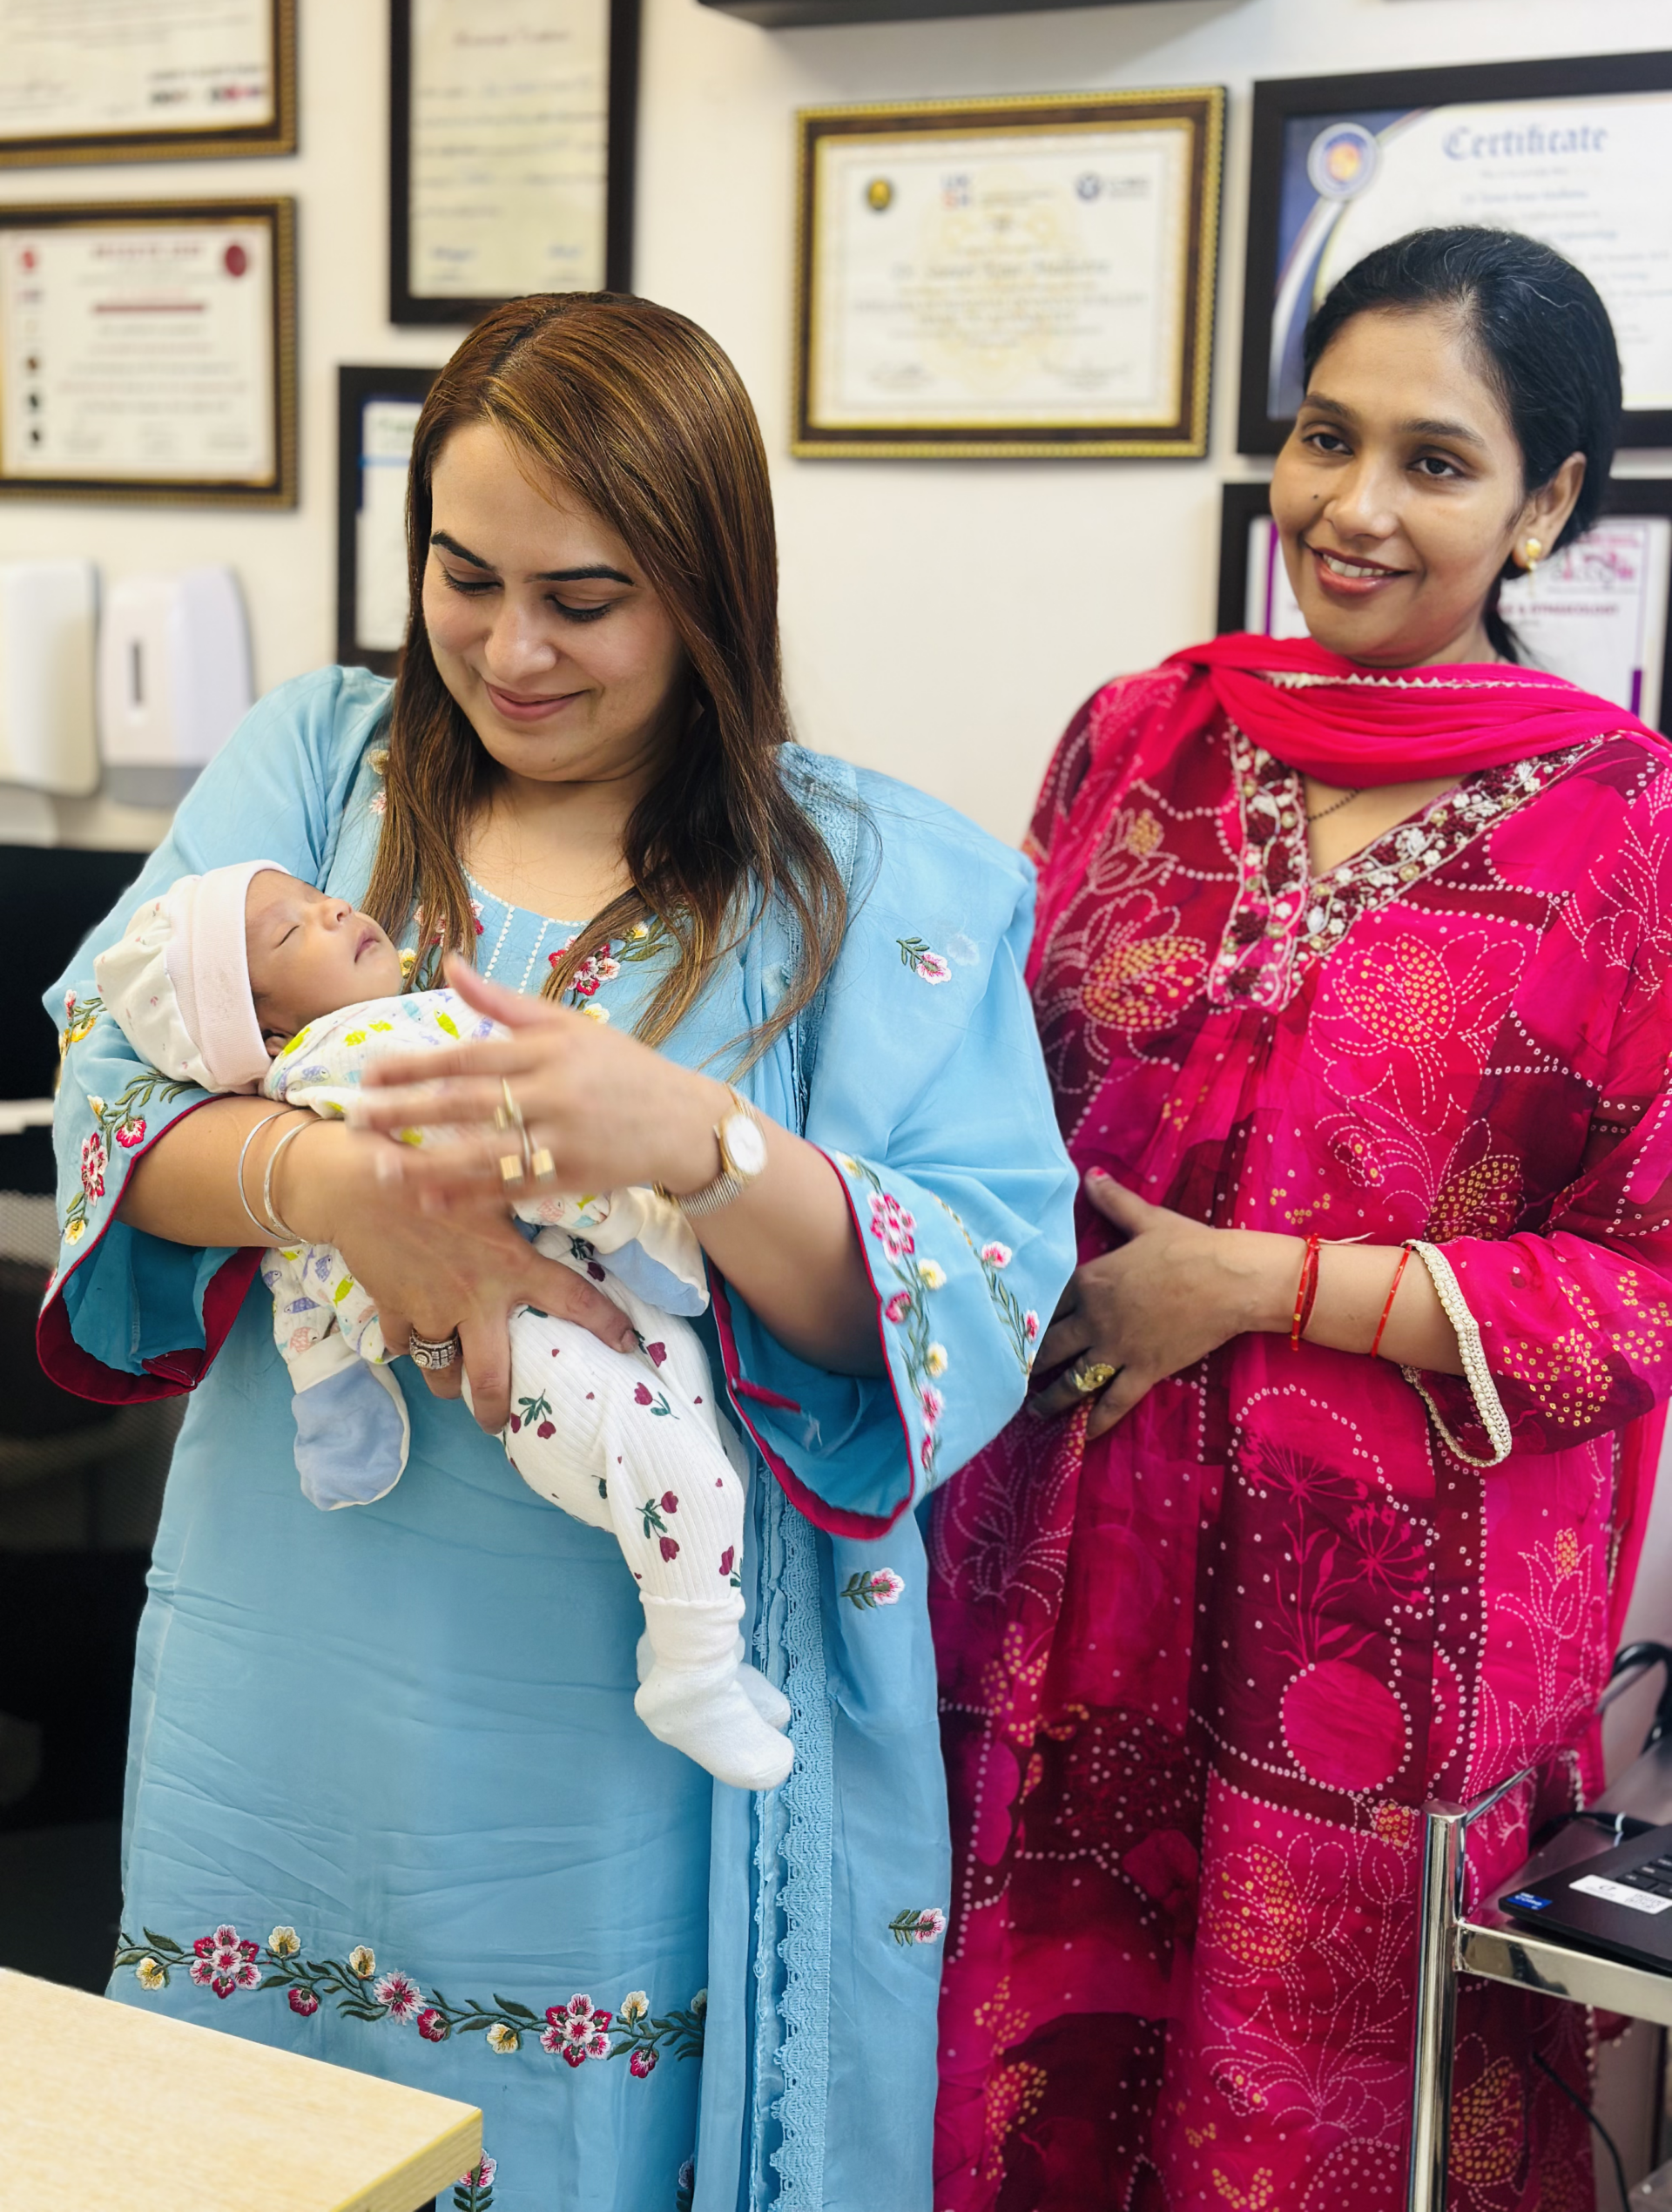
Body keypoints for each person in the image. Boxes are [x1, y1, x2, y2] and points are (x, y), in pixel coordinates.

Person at [42, 291, 1076, 2210]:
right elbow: (112, 1093)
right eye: (466, 577)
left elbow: (966, 1297)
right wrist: (342, 1194)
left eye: (583, 600)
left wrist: (697, 1141)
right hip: (288, 1659)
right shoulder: (320, 772)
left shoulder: (879, 885)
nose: (510, 650)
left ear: (707, 591)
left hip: (621, 1720)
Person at [930, 225, 1672, 2210]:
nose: (1354, 507)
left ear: (1547, 502)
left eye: (1434, 461)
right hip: (1049, 1567)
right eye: (1327, 439)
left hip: (1364, 1653)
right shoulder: (1137, 735)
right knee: (1008, 2088)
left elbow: (1647, 1283)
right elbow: (978, 1082)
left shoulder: (1632, 826)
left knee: (1304, 2129)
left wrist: (1252, 1283)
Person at [92, 860, 793, 1791]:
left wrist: (338, 1406)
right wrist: (625, 1227)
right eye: (291, 930)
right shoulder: (352, 1057)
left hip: (557, 1293)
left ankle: (697, 1652)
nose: (334, 908)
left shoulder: (353, 1060)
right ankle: (694, 1679)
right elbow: (500, 1149)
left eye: (316, 897)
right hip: (521, 1335)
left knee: (701, 1439)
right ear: (264, 1032)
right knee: (685, 1473)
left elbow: (299, 1299)